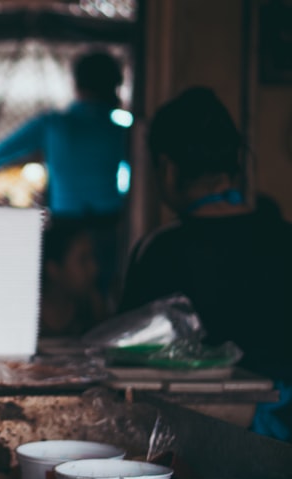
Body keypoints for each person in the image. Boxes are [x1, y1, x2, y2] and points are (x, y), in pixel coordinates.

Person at [119, 86, 292, 441]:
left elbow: (128, 362)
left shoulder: (160, 251)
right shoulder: (285, 237)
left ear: (166, 168)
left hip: (191, 448)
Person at [0, 50, 130, 298]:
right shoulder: (121, 131)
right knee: (105, 295)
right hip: (111, 227)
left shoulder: (54, 124)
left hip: (67, 230)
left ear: (76, 83)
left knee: (64, 298)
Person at [39, 220, 107, 338]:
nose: (93, 268)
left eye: (92, 258)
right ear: (53, 269)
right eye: (83, 260)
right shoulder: (29, 318)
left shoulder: (90, 307)